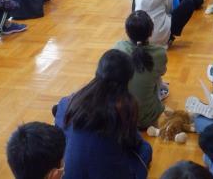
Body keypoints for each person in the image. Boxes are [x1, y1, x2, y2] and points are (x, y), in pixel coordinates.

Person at [53, 49, 152, 179]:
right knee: (145, 148)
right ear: (127, 81)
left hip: (69, 175)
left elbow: (58, 124)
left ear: (98, 71)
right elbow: (133, 142)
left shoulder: (69, 101)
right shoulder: (124, 110)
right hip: (109, 172)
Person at [113, 10, 167, 129]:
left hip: (121, 119)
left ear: (127, 31)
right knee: (157, 79)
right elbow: (162, 72)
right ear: (151, 32)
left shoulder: (118, 47)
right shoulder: (160, 53)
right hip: (146, 119)